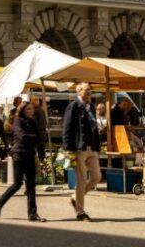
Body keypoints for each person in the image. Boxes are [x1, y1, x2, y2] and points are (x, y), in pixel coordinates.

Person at [0, 100, 46, 222]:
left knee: (31, 185)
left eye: (32, 109)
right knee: (17, 184)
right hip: (19, 155)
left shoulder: (33, 121)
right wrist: (33, 137)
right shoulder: (18, 121)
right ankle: (0, 201)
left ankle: (32, 213)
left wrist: (35, 140)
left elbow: (40, 138)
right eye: (28, 109)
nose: (31, 111)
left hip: (30, 155)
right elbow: (22, 137)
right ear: (22, 110)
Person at [63, 82, 102, 221]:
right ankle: (80, 212)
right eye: (86, 91)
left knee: (97, 177)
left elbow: (94, 128)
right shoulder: (73, 106)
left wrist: (97, 147)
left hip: (91, 148)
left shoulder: (90, 106)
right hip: (79, 149)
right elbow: (67, 128)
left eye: (90, 91)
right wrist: (67, 149)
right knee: (81, 180)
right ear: (78, 92)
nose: (89, 93)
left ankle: (75, 198)